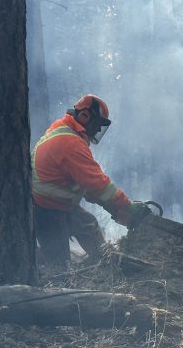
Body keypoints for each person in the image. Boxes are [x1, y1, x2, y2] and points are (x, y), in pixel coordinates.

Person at [31, 94, 149, 268]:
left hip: (59, 205)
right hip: (46, 210)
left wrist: (115, 209)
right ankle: (34, 262)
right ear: (85, 116)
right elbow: (97, 185)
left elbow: (86, 187)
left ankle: (107, 266)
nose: (96, 130)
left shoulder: (63, 129)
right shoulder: (70, 143)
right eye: (96, 125)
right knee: (58, 266)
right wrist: (127, 206)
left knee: (88, 226)